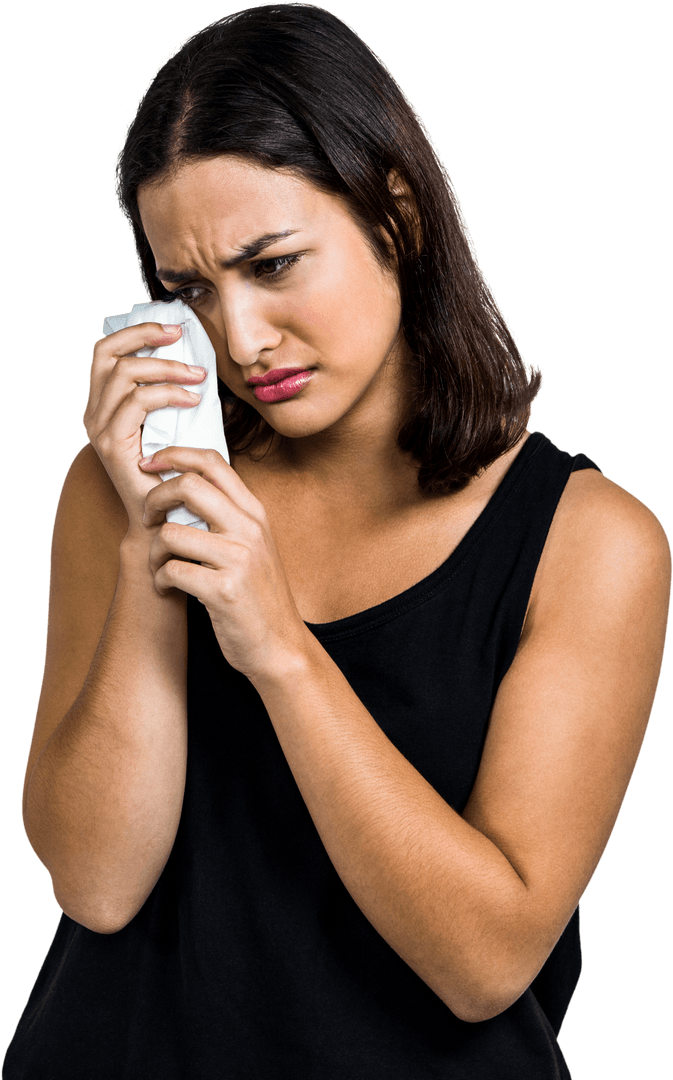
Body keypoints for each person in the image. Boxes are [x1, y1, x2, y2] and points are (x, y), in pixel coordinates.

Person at [3, 4, 670, 1078]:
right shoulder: (121, 490)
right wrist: (150, 544)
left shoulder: (587, 541)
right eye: (191, 290)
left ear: (394, 217)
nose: (239, 339)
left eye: (272, 265)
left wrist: (277, 647)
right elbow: (96, 883)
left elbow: (486, 962)